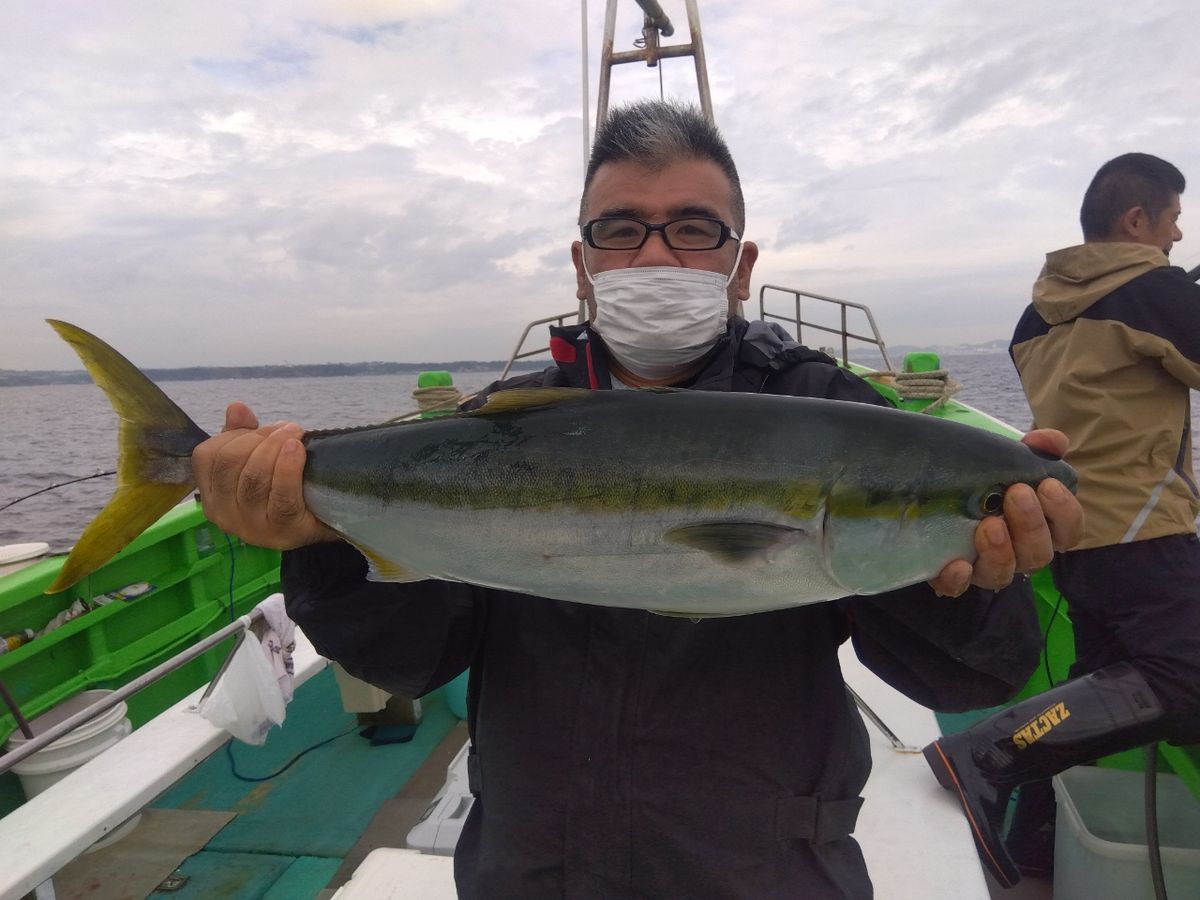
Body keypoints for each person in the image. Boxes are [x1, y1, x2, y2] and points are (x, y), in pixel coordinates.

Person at [193, 100, 1082, 899]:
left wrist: (971, 575)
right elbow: (414, 660)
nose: (656, 253)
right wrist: (314, 538)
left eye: (695, 228)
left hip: (762, 866)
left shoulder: (837, 418)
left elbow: (968, 676)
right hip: (532, 865)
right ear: (584, 264)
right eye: (622, 229)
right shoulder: (500, 427)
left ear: (742, 265)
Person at [925, 152, 1200, 889]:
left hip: (1071, 529)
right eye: (1174, 219)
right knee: (1187, 680)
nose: (1178, 237)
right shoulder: (1154, 288)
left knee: (1095, 687)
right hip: (1146, 530)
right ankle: (987, 750)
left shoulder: (1035, 311)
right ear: (1136, 220)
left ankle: (1039, 849)